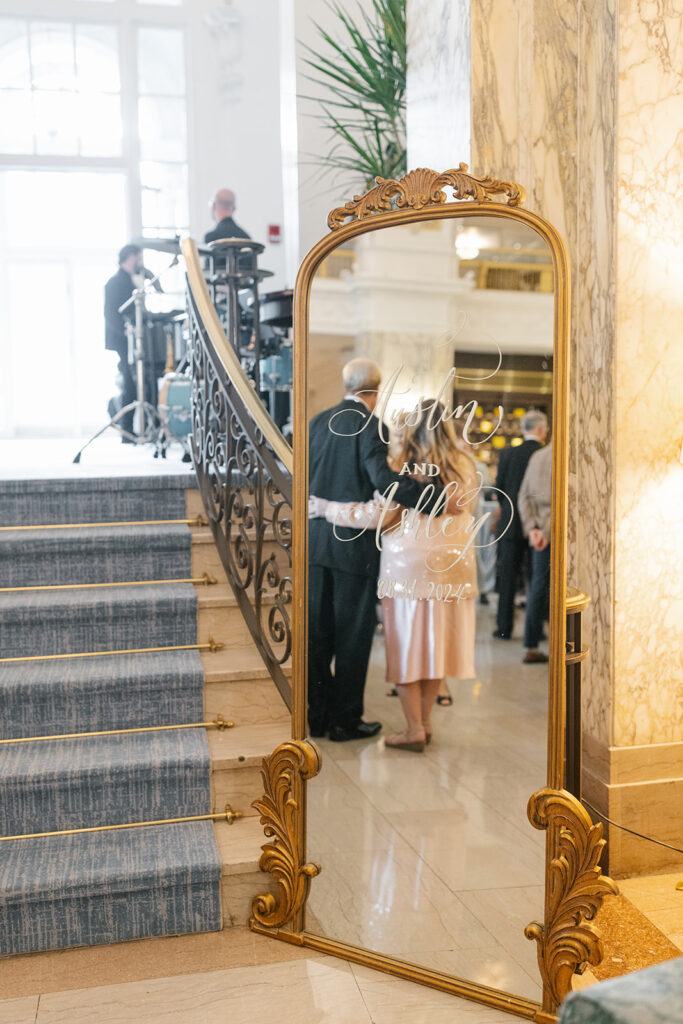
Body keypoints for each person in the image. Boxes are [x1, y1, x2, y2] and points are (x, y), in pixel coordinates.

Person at [313, 401, 479, 752]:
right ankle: (427, 722)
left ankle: (413, 728)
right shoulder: (465, 467)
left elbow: (376, 514)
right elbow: (466, 508)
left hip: (407, 566)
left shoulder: (400, 466)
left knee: (406, 645)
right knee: (435, 648)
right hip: (452, 567)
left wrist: (329, 509)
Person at [307, 360, 443, 743]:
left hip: (316, 543)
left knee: (317, 635)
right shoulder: (370, 425)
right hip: (353, 548)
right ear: (376, 391)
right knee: (352, 636)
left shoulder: (317, 423)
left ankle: (315, 715)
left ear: (345, 385)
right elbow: (380, 480)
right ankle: (345, 721)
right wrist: (431, 498)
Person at [492, 410, 548, 639]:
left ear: (523, 429)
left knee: (508, 577)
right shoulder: (545, 455)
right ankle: (537, 629)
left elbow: (499, 489)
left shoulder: (508, 454)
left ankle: (504, 627)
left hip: (511, 523)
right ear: (543, 429)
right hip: (539, 524)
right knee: (538, 577)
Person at [104, 244, 144, 440]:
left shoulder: (129, 280)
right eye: (138, 257)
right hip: (123, 340)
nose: (140, 261)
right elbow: (110, 314)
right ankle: (125, 427)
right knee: (129, 382)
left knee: (133, 382)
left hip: (132, 339)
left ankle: (128, 428)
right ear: (130, 257)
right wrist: (126, 331)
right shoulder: (115, 282)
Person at [518, 442, 552, 663]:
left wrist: (532, 529)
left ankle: (531, 644)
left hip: (540, 533)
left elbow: (524, 496)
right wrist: (546, 533)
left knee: (538, 587)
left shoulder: (538, 457)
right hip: (555, 533)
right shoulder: (571, 455)